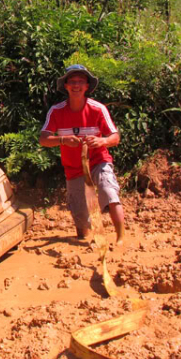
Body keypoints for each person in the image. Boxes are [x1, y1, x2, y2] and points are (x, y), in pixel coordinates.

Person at [39, 64, 125, 244]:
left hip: (98, 160)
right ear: (66, 86)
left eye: (80, 81)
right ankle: (86, 234)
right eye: (72, 81)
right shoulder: (56, 111)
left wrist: (102, 141)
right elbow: (44, 139)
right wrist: (63, 140)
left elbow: (115, 137)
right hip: (73, 168)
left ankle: (120, 239)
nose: (76, 85)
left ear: (87, 86)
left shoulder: (98, 108)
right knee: (81, 223)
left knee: (109, 191)